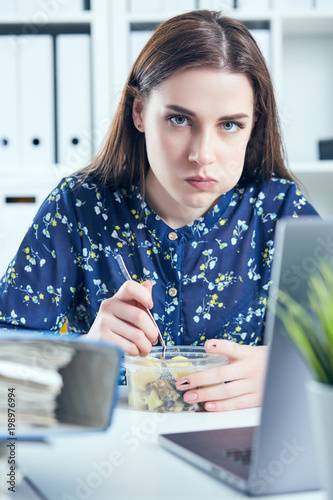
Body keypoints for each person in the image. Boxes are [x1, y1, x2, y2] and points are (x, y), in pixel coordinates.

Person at [0, 10, 318, 411]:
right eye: (180, 119)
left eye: (230, 125)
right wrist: (84, 350)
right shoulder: (78, 207)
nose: (202, 155)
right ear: (139, 113)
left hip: (239, 449)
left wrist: (289, 371)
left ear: (254, 125)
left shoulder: (282, 211)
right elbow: (6, 369)